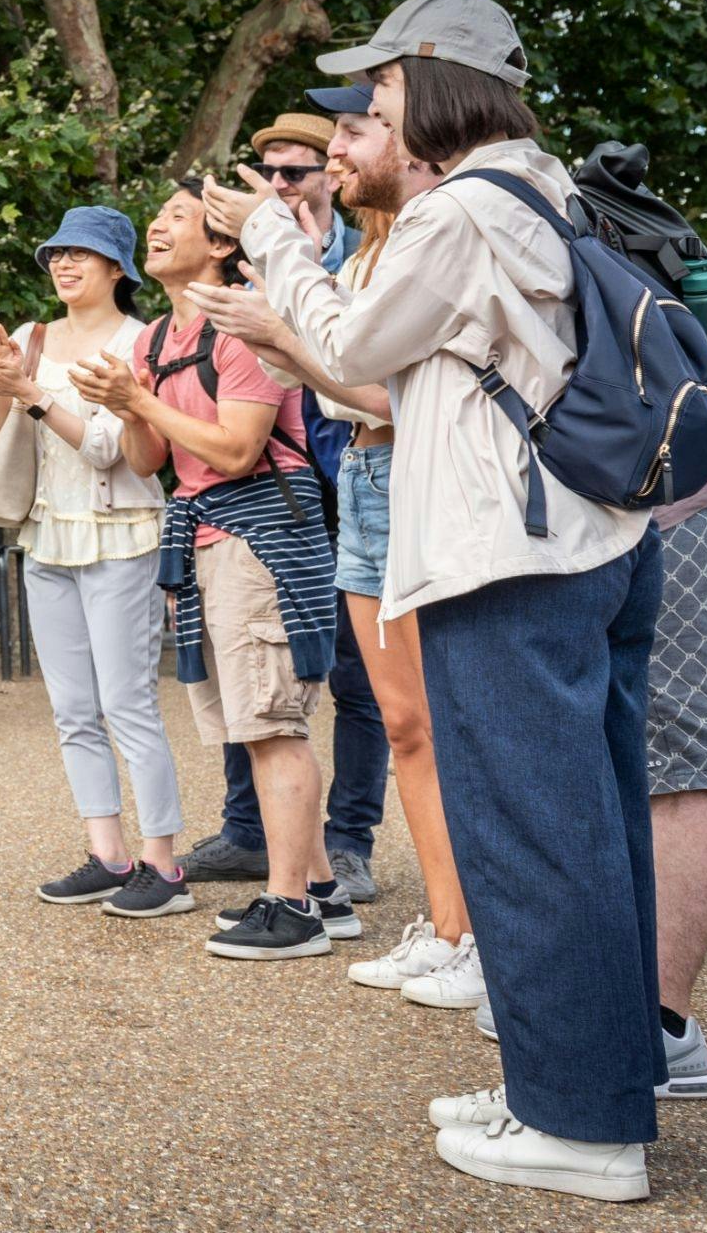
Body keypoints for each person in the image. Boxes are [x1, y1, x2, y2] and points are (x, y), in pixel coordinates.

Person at [209, 0, 661, 1200]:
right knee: (593, 828)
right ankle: (579, 1083)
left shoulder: (464, 209)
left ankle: (580, 1125)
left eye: (385, 90)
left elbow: (354, 354)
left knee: (534, 833)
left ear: (441, 86)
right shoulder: (542, 188)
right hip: (587, 543)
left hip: (508, 558)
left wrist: (275, 242)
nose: (372, 109)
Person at [189, 85, 478, 1006]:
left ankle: (468, 931)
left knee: (433, 724)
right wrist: (278, 318)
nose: (297, 177)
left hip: (405, 476)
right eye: (269, 174)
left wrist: (280, 324)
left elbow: (385, 394)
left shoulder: (424, 240)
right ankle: (446, 926)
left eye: (345, 140)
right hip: (360, 479)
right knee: (403, 726)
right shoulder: (352, 257)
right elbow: (334, 387)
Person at [71, 186, 346, 961]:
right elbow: (150, 461)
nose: (156, 227)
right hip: (209, 539)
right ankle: (322, 890)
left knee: (272, 725)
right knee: (249, 725)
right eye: (156, 217)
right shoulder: (153, 340)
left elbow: (234, 450)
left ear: (223, 246)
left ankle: (292, 909)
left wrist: (139, 403)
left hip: (264, 539)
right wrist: (129, 406)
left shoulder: (242, 326)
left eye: (177, 218)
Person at [477, 473, 707, 1104]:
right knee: (623, 774)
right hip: (604, 525)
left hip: (660, 519)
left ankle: (662, 1026)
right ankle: (616, 1016)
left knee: (675, 777)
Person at [177, 110, 391, 905]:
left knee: (358, 682)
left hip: (355, 491)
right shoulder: (245, 270)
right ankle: (249, 832)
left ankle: (346, 843)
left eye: (295, 173)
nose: (277, 187)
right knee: (250, 665)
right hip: (278, 502)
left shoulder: (362, 255)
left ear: (329, 178)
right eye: (266, 174)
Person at [0, 206, 183, 918]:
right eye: (56, 253)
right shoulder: (32, 337)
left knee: (128, 704)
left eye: (82, 253)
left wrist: (33, 395)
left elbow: (110, 448)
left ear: (118, 268)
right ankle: (108, 853)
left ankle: (164, 865)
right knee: (73, 709)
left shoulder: (142, 341)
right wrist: (3, 387)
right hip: (46, 537)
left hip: (122, 533)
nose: (64, 264)